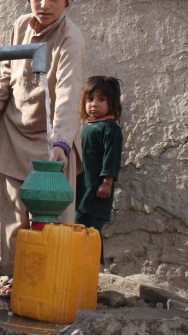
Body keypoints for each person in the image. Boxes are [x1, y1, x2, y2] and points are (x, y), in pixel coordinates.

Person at [0, 0, 84, 297]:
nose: (45, 3)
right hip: (14, 132)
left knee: (55, 216)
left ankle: (52, 278)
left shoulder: (70, 38)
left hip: (51, 140)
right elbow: (7, 71)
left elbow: (67, 92)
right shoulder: (22, 25)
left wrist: (62, 142)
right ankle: (13, 275)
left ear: (67, 0)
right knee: (13, 214)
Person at [76, 76, 123, 268]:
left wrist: (107, 182)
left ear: (111, 102)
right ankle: (83, 268)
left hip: (96, 192)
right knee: (81, 230)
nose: (94, 104)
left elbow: (112, 157)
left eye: (101, 99)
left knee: (90, 232)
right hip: (83, 189)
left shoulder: (110, 129)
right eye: (90, 99)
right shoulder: (90, 127)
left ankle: (93, 270)